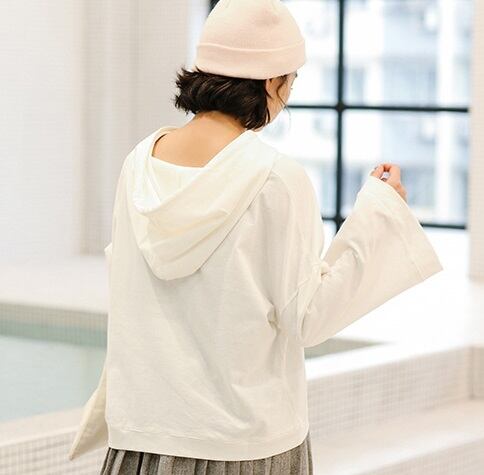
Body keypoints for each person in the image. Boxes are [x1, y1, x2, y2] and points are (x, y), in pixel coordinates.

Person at [68, 0, 443, 473]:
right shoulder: (275, 178)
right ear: (270, 81)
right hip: (244, 446)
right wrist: (382, 213)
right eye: (291, 80)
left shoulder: (139, 164)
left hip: (143, 438)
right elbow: (308, 317)